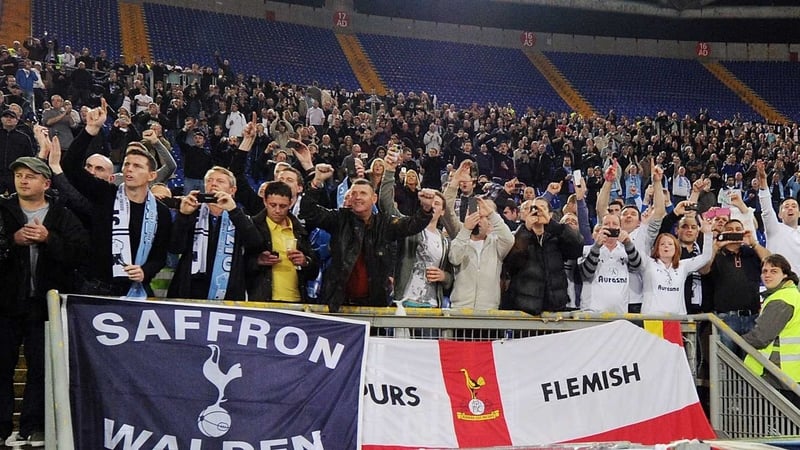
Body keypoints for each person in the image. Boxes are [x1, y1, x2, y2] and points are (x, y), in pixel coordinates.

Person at [0, 154, 87, 448]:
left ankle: (32, 426)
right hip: (5, 304)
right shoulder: (2, 211)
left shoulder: (62, 214)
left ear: (46, 182)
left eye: (30, 175)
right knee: (1, 366)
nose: (23, 180)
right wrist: (12, 242)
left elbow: (79, 253)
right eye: (19, 175)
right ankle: (2, 428)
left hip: (44, 306)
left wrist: (49, 238)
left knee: (40, 369)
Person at [62, 99, 172, 296]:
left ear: (152, 176)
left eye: (137, 166)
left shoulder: (161, 212)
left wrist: (145, 271)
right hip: (95, 286)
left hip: (135, 290)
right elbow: (70, 166)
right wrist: (90, 130)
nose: (129, 169)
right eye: (127, 164)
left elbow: (159, 256)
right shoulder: (105, 194)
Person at [300, 161, 436, 312]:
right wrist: (317, 181)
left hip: (374, 305)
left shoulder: (385, 223)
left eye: (363, 193)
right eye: (353, 193)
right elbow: (309, 213)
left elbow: (412, 225)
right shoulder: (339, 219)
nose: (357, 197)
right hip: (338, 303)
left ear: (374, 199)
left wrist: (426, 208)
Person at [168, 167, 263, 300]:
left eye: (220, 181)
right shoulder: (191, 212)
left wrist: (233, 211)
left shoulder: (241, 218)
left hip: (227, 290)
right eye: (209, 180)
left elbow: (256, 244)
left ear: (232, 190)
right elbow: (175, 247)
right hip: (189, 288)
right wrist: (183, 216)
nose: (213, 184)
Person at [504, 196, 584, 315]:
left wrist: (552, 224)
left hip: (555, 308)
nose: (538, 212)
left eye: (542, 208)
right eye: (534, 208)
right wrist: (526, 230)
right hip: (525, 310)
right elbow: (511, 265)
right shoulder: (519, 235)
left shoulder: (557, 237)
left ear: (550, 214)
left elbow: (576, 248)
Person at [700, 219, 770, 356]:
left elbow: (772, 261)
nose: (734, 232)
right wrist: (716, 247)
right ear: (723, 232)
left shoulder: (751, 253)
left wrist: (754, 243)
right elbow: (703, 269)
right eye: (730, 229)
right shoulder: (716, 254)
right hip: (726, 318)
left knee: (751, 362)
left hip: (752, 317)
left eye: (738, 229)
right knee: (726, 361)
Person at [246, 181, 318, 302]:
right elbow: (238, 265)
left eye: (283, 206)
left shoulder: (300, 231)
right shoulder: (252, 227)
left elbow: (314, 270)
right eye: (273, 205)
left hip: (297, 302)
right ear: (264, 202)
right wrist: (257, 261)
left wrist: (306, 262)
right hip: (262, 302)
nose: (278, 210)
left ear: (290, 203)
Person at [743, 254, 800, 407]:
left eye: (774, 271)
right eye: (764, 271)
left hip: (776, 373)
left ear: (785, 275)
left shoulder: (782, 299)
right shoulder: (791, 295)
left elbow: (761, 337)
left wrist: (739, 341)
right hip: (788, 373)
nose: (767, 275)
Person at [639, 218, 713, 315]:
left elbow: (706, 257)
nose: (666, 246)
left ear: (676, 249)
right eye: (662, 244)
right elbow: (639, 250)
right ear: (656, 248)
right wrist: (643, 226)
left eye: (670, 244)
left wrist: (707, 234)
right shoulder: (648, 263)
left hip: (677, 317)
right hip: (652, 317)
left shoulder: (683, 266)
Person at [579, 213, 641, 313]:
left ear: (620, 228)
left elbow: (636, 266)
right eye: (607, 224)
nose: (611, 227)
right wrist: (597, 247)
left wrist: (628, 243)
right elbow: (587, 273)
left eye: (615, 224)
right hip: (592, 312)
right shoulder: (587, 250)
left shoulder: (627, 250)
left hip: (620, 313)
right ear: (601, 228)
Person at [757, 160, 800, 273]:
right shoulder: (775, 229)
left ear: (799, 213)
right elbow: (766, 209)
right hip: (780, 284)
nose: (790, 208)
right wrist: (762, 180)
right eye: (786, 206)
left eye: (794, 206)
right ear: (780, 214)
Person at [0, 109, 33, 194]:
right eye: (6, 116)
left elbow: (29, 157)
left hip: (16, 174)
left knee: (16, 201)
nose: (9, 119)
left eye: (12, 117)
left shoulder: (24, 138)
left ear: (17, 121)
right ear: (1, 119)